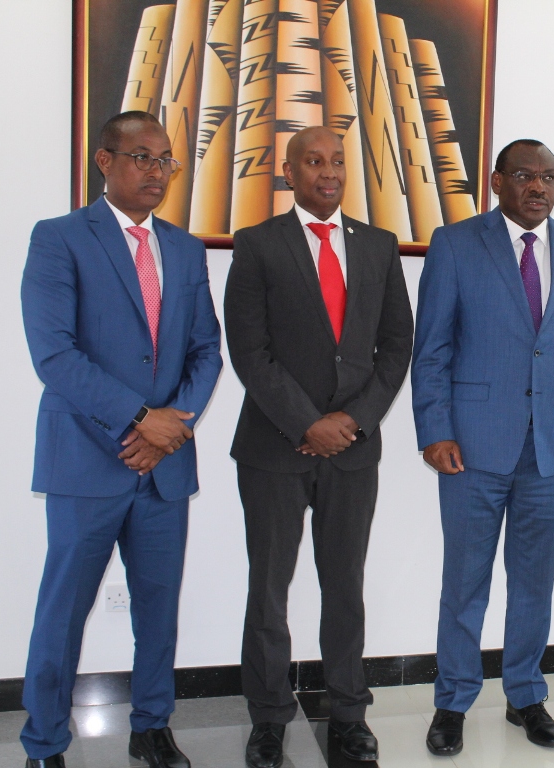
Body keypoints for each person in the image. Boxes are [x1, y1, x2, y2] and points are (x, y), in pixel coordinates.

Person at [19, 110, 223, 768]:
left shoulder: (185, 249)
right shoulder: (59, 238)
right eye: (142, 157)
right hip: (86, 458)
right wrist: (140, 418)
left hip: (164, 466)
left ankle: (151, 726)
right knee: (63, 611)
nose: (156, 171)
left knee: (158, 610)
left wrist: (170, 428)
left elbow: (207, 351)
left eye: (166, 160)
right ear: (104, 161)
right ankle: (44, 742)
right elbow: (54, 354)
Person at [411, 139, 554, 756]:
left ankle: (525, 694)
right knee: (465, 581)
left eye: (549, 176)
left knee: (534, 582)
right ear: (497, 181)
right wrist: (434, 430)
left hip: (551, 448)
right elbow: (432, 349)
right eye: (525, 175)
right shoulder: (455, 244)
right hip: (471, 447)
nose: (538, 187)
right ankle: (453, 701)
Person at [224, 126, 413, 767]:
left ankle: (350, 712)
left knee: (345, 587)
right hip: (274, 449)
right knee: (268, 590)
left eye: (337, 161)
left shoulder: (379, 246)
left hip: (353, 451)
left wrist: (352, 421)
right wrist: (307, 423)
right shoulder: (256, 245)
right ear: (289, 172)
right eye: (313, 161)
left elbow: (397, 346)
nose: (328, 172)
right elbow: (249, 350)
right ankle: (269, 717)